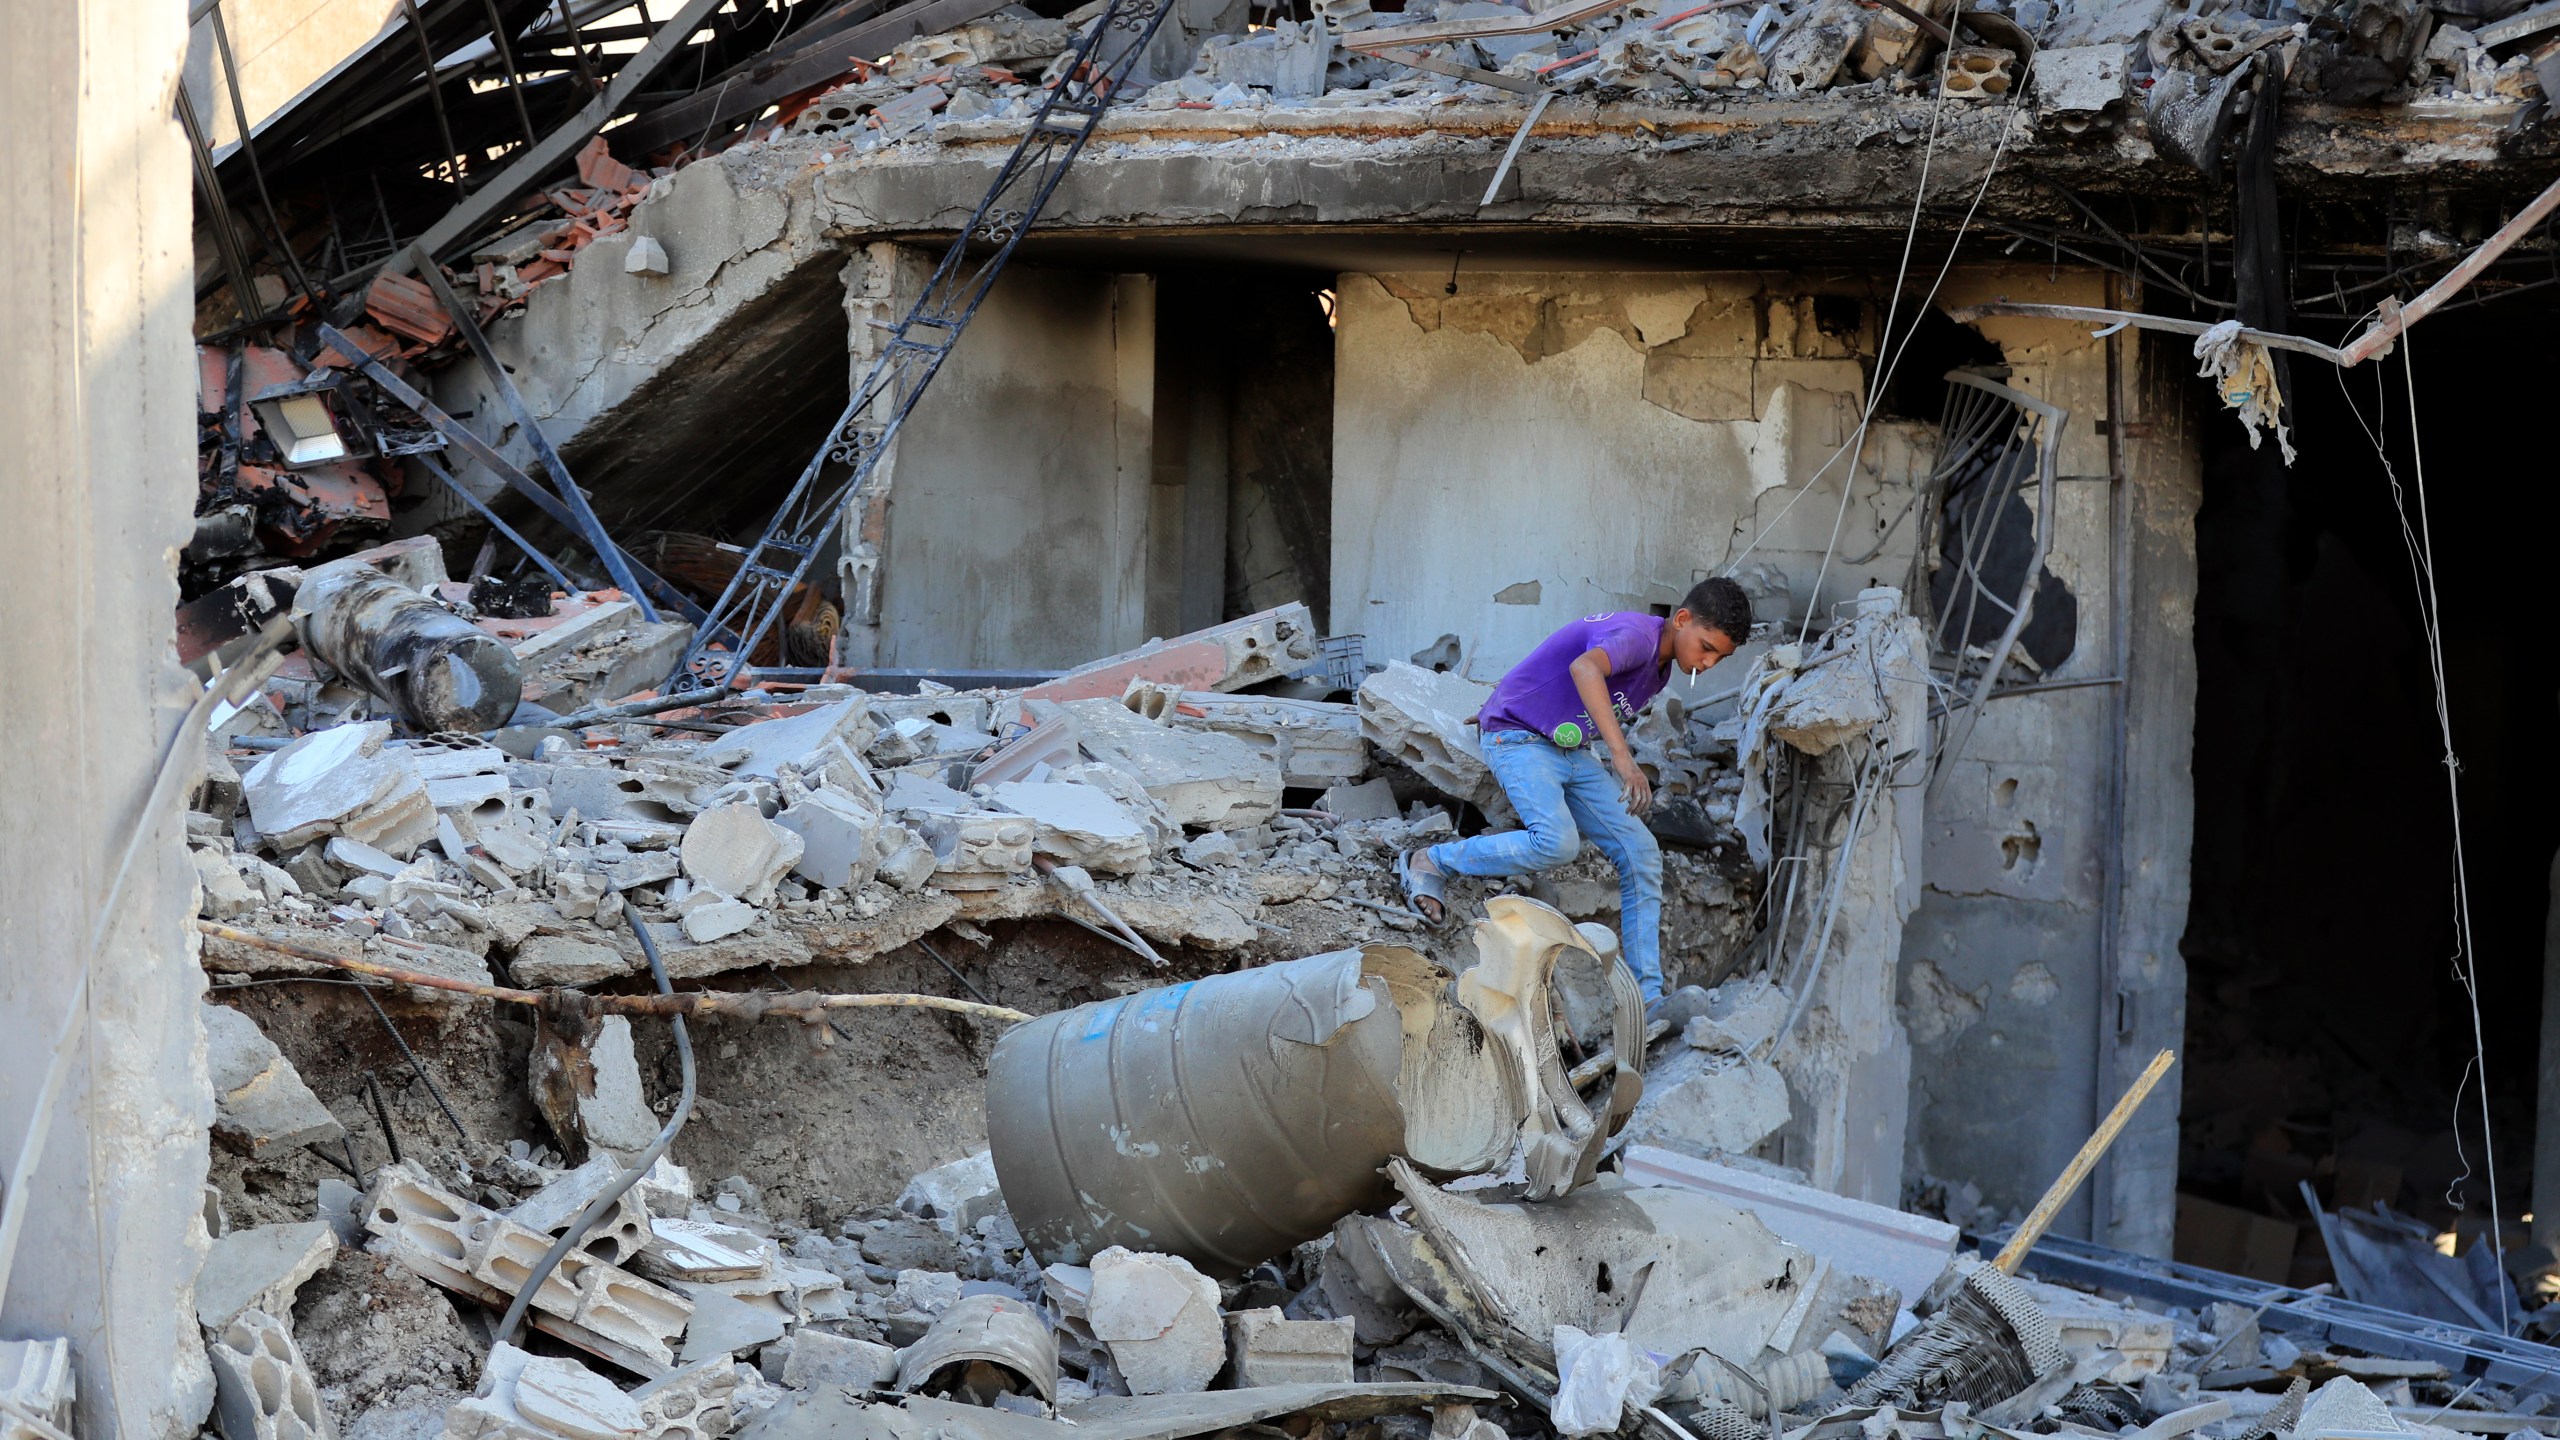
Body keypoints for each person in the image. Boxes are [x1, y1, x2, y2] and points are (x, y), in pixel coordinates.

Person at [1398, 577, 1753, 1013]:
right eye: (1707, 647)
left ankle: (1648, 998)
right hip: (1520, 739)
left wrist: (1513, 693)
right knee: (1557, 842)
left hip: (1567, 748)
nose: (1709, 662)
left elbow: (1556, 655)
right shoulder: (1638, 638)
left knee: (1641, 851)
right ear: (1681, 620)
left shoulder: (1660, 666)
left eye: (1720, 656)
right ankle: (1431, 860)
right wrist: (1622, 759)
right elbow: (1584, 667)